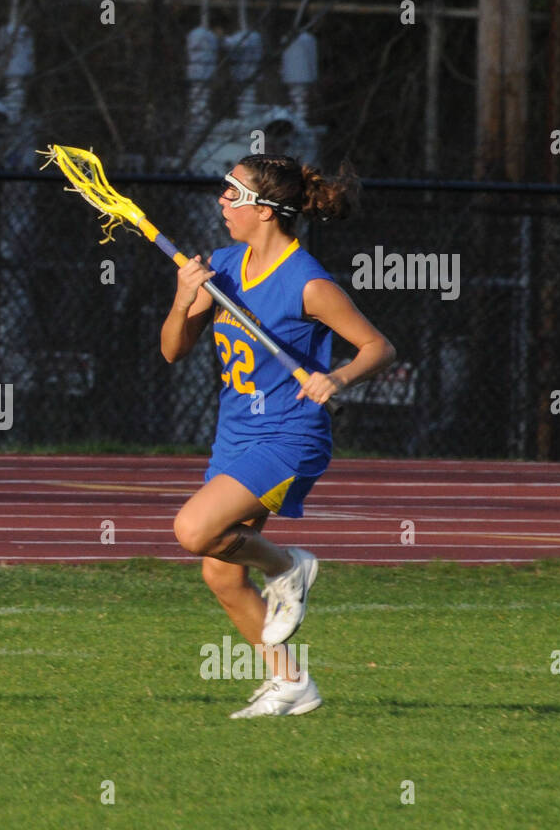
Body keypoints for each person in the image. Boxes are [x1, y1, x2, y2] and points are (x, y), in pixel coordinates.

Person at [162, 154, 395, 718]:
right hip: (236, 435)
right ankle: (291, 684)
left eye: (233, 194)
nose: (222, 202)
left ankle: (288, 565)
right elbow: (173, 349)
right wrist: (182, 293)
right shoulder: (219, 265)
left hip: (290, 435)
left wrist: (334, 377)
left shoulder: (307, 283)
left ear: (266, 211)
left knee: (193, 529)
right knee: (219, 570)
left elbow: (380, 348)